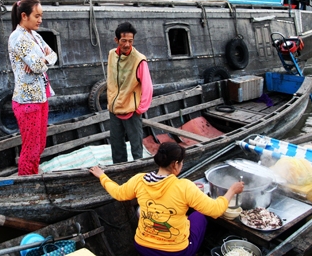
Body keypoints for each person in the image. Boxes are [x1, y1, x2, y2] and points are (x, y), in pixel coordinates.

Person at [89, 142, 245, 255]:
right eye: (182, 163)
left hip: (142, 246)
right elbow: (216, 210)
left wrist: (102, 176)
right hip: (176, 251)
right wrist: (232, 190)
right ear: (175, 165)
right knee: (200, 216)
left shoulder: (139, 180)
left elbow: (118, 193)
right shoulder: (184, 186)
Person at [8, 0, 57, 175]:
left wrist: (43, 59)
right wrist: (41, 60)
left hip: (41, 95)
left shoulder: (34, 35)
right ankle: (27, 182)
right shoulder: (17, 38)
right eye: (37, 16)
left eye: (41, 15)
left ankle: (33, 174)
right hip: (27, 100)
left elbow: (53, 55)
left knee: (40, 144)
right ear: (24, 16)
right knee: (31, 148)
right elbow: (37, 66)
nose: (40, 20)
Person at [107, 22, 153, 163]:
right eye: (123, 41)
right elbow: (110, 79)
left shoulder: (139, 60)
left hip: (132, 110)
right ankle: (119, 170)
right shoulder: (111, 55)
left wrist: (140, 109)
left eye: (130, 41)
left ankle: (138, 172)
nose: (127, 44)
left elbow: (148, 87)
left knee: (136, 145)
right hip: (114, 109)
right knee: (116, 144)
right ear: (117, 40)